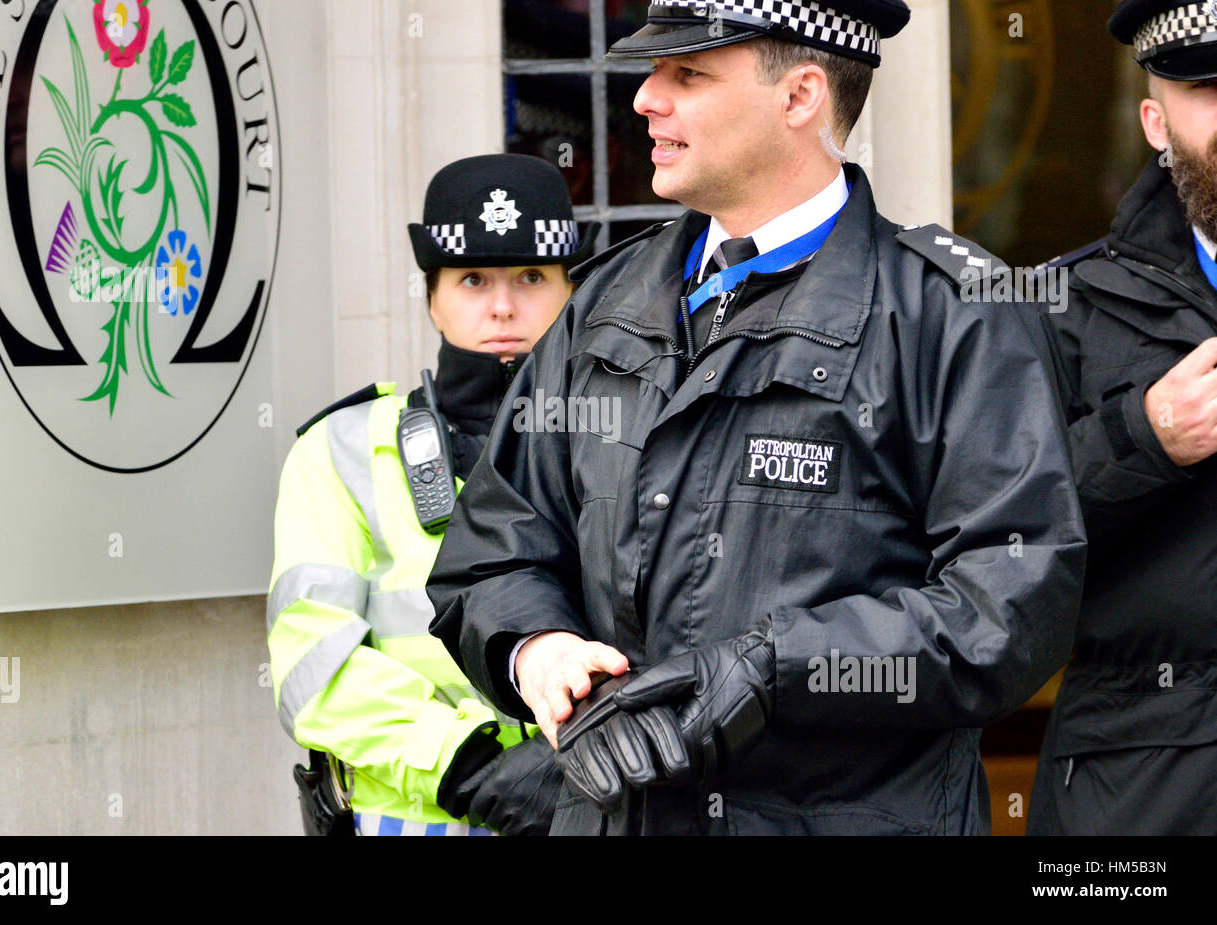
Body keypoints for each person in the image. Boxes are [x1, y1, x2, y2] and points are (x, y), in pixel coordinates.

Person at [427, 0, 1086, 835]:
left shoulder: (953, 315)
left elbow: (1010, 604)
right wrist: (536, 649)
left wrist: (774, 668)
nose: (645, 98)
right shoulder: (606, 301)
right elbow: (492, 548)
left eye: (688, 74)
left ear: (801, 95)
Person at [267, 153, 597, 835]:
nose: (503, 305)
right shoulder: (341, 450)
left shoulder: (628, 443)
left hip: (598, 807)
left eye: (531, 276)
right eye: (472, 278)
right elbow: (312, 663)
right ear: (432, 296)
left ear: (571, 289)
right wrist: (468, 766)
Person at [1028, 0, 1217, 836]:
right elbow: (987, 549)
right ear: (1154, 122)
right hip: (1135, 793)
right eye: (1209, 88)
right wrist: (1144, 438)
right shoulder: (1057, 311)